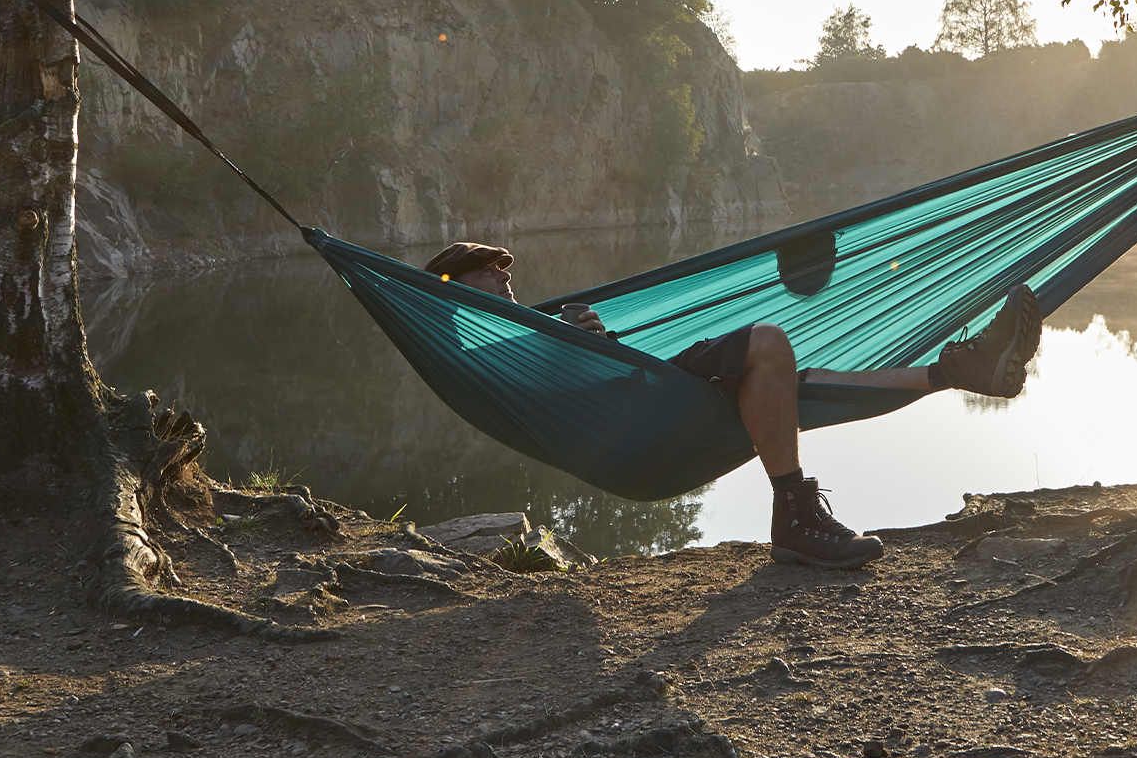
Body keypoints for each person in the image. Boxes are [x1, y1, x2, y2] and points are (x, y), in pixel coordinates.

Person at [422, 241, 1043, 570]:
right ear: (450, 296)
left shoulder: (540, 326)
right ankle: (796, 516)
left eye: (505, 274)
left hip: (662, 398)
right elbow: (567, 392)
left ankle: (957, 372)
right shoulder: (497, 350)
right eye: (486, 275)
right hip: (644, 420)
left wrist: (591, 338)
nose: (505, 282)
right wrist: (574, 344)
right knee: (769, 346)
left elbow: (597, 373)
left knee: (795, 380)